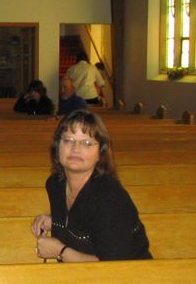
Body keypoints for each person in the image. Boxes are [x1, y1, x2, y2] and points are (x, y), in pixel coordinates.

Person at [31, 109, 151, 262]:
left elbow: (115, 266)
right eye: (68, 140)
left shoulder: (111, 198)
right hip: (80, 278)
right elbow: (81, 219)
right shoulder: (55, 185)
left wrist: (60, 251)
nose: (76, 149)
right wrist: (55, 221)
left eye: (87, 143)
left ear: (100, 153)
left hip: (131, 279)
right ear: (57, 146)